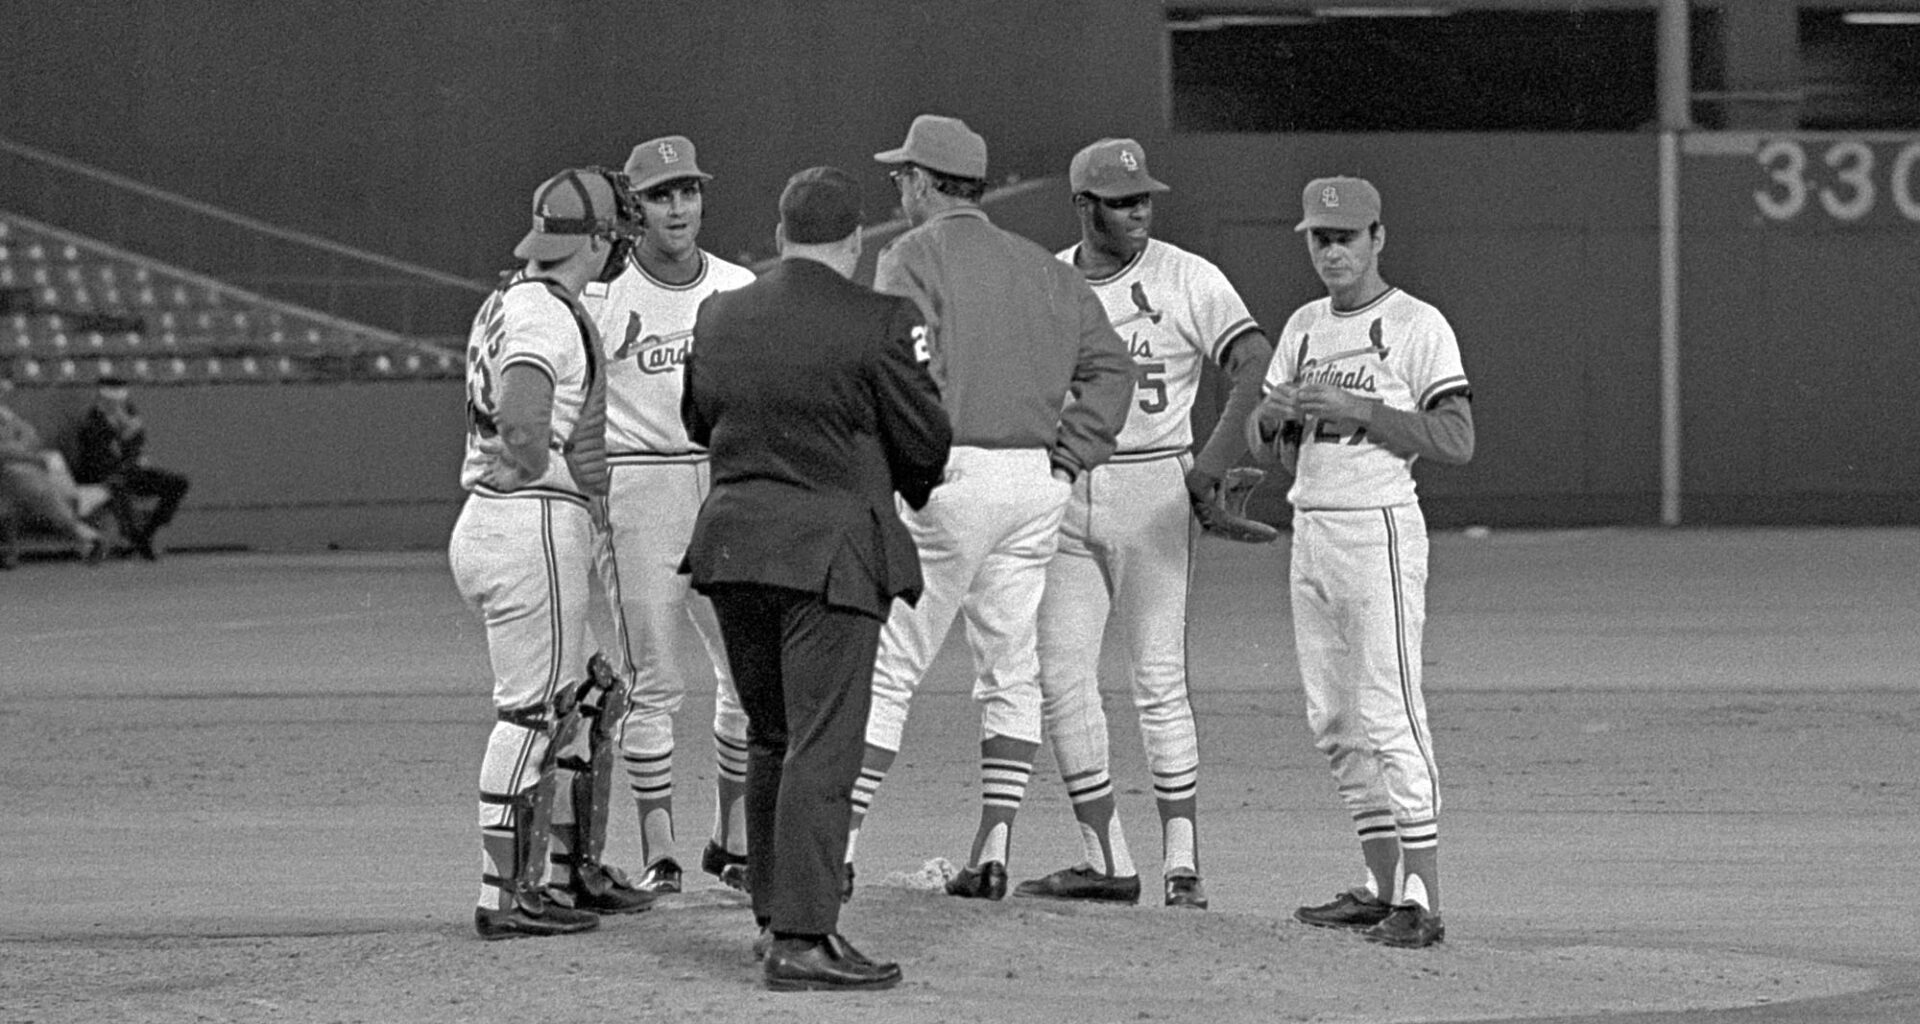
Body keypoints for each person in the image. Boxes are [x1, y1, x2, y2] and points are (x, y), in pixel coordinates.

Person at [849, 114, 1136, 901]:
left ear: (920, 182)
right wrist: (1070, 453)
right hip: (1034, 485)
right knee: (1012, 669)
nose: (897, 187)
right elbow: (1113, 369)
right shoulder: (1046, 269)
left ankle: (836, 846)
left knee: (889, 663)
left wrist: (914, 464)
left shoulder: (911, 254)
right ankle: (996, 846)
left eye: (901, 175)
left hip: (951, 476)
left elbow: (897, 369)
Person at [682, 166, 950, 990]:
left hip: (731, 551)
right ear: (856, 239)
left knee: (768, 734)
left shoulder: (719, 313)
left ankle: (772, 916)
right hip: (831, 556)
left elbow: (700, 419)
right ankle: (803, 936)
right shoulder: (880, 320)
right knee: (823, 744)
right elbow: (927, 441)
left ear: (779, 235)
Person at [1014, 139, 1275, 911]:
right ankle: (1107, 861)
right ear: (1083, 206)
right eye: (1121, 201)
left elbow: (1255, 362)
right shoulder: (1051, 283)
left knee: (1158, 678)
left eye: (1143, 199)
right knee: (1061, 679)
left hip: (1154, 482)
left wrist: (1211, 464)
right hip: (1065, 487)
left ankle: (1183, 866)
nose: (1138, 212)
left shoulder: (1187, 275)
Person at [1247, 176, 1475, 949]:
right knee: (1335, 720)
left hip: (1377, 526)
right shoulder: (1304, 326)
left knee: (1388, 711)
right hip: (1310, 526)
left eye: (1347, 236)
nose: (1333, 250)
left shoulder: (1417, 324)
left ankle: (1423, 897)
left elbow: (1457, 438)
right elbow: (1269, 449)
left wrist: (1365, 413)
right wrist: (1268, 419)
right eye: (1320, 237)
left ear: (1378, 238)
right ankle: (1381, 885)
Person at [449, 166, 657, 940]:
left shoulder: (512, 298)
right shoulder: (541, 314)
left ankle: (571, 877)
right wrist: (530, 463)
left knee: (594, 695)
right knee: (535, 712)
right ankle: (505, 895)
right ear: (597, 239)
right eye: (616, 235)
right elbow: (525, 415)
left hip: (508, 520)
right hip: (527, 518)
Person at [581, 135, 757, 895]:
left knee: (749, 677)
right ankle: (661, 851)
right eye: (661, 195)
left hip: (724, 484)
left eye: (687, 190)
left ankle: (736, 841)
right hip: (640, 488)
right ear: (635, 207)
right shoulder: (602, 297)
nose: (678, 206)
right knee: (654, 680)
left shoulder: (741, 288)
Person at [73, 376, 191, 561]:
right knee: (117, 485)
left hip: (129, 472)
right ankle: (135, 538)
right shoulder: (92, 422)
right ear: (103, 400)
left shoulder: (129, 415)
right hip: (101, 475)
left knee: (178, 483)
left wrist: (130, 435)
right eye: (114, 402)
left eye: (121, 401)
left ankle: (147, 534)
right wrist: (124, 435)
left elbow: (136, 448)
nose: (119, 405)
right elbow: (100, 461)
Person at [0, 393, 106, 568]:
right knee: (22, 476)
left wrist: (20, 450)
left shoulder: (6, 414)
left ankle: (81, 530)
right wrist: (27, 455)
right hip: (12, 470)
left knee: (34, 474)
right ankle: (82, 533)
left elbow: (32, 437)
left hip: (14, 472)